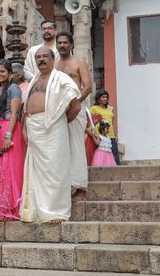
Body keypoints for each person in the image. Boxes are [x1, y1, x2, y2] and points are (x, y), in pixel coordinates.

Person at [20, 46, 81, 224]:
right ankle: (36, 211)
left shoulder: (62, 79)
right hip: (33, 126)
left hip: (54, 127)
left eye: (45, 56)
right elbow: (25, 109)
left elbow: (75, 106)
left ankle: (57, 212)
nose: (41, 60)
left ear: (53, 59)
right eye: (38, 57)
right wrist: (25, 128)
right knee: (37, 171)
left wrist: (59, 123)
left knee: (56, 170)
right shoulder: (33, 81)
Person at [54, 31, 92, 199]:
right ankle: (66, 186)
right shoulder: (55, 65)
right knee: (62, 148)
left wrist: (75, 103)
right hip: (59, 110)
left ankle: (80, 187)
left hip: (77, 109)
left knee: (76, 145)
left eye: (65, 42)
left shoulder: (79, 62)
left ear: (71, 45)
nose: (62, 45)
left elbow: (87, 87)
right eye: (59, 43)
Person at [0, 61, 25, 221]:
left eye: (2, 71)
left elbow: (14, 113)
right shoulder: (0, 89)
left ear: (10, 72)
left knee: (10, 167)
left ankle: (11, 206)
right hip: (1, 128)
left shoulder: (14, 88)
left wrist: (8, 136)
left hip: (11, 129)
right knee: (2, 168)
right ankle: (0, 206)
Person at [89, 90, 119, 165]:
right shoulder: (93, 108)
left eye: (106, 97)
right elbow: (90, 121)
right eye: (103, 97)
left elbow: (112, 122)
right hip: (100, 136)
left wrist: (115, 134)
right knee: (101, 160)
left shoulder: (110, 109)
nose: (105, 99)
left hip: (111, 136)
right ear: (98, 98)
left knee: (115, 159)